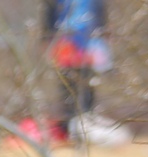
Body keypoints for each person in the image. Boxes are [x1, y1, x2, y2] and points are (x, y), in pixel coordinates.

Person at [23, 0, 129, 146]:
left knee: (87, 83)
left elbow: (100, 14)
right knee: (68, 86)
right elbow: (49, 15)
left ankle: (86, 121)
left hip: (89, 41)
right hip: (65, 43)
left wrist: (105, 35)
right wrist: (46, 39)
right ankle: (71, 126)